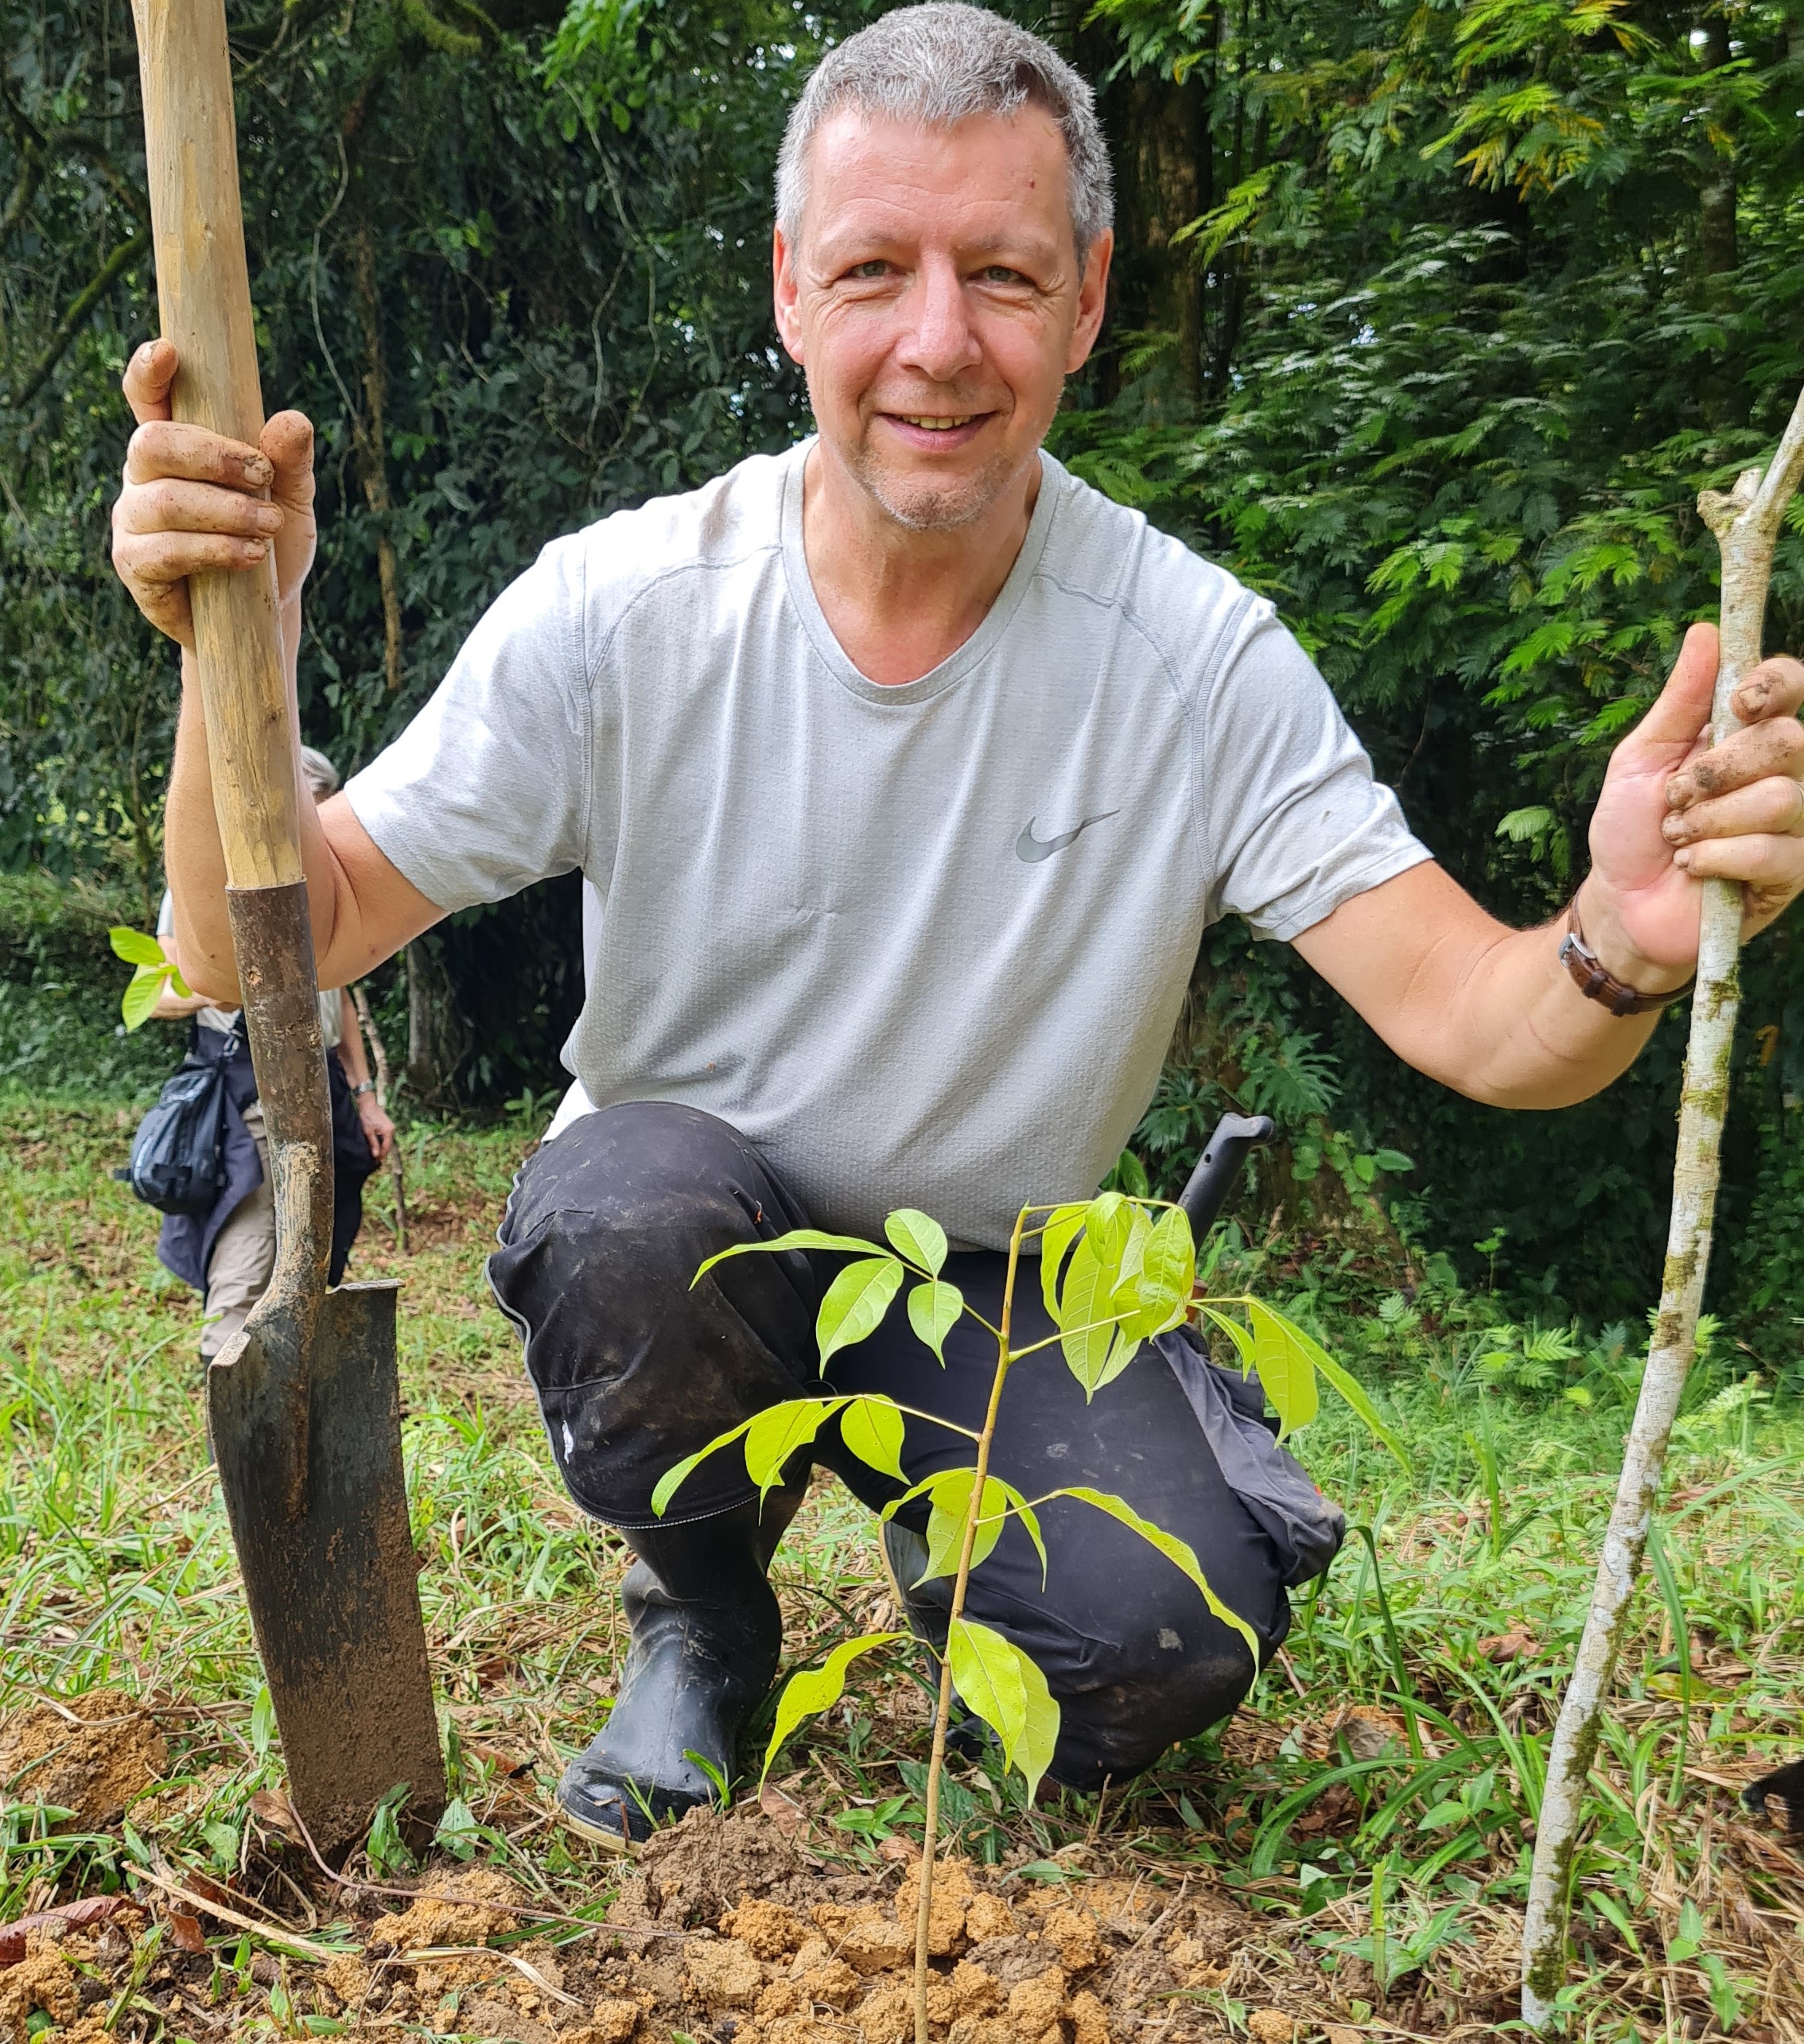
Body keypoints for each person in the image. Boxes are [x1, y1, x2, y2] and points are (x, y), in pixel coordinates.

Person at [110, 2, 1804, 1844]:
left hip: (998, 1276)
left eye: (1002, 274)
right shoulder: (623, 610)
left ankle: (970, 1524)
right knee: (627, 1213)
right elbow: (264, 943)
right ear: (786, 290)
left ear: (1084, 298)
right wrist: (241, 667)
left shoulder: (1193, 658)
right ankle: (702, 1618)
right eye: (874, 271)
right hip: (688, 1243)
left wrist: (1623, 934)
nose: (937, 342)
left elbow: (1481, 1015)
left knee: (1170, 1638)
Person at [150, 746, 395, 1361]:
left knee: (316, 1258)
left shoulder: (324, 876)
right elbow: (158, 993)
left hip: (323, 1086)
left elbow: (337, 1000)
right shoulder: (205, 877)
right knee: (247, 1269)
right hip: (247, 1091)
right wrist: (230, 984)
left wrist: (366, 1098)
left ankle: (299, 1412)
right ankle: (235, 1439)